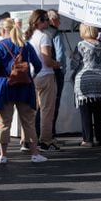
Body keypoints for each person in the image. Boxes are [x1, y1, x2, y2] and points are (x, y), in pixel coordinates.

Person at [0, 18, 47, 164]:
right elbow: (38, 65)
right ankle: (35, 154)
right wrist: (29, 76)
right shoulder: (25, 46)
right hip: (25, 88)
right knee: (28, 122)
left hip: (4, 87)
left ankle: (3, 155)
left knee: (4, 123)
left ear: (2, 30)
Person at [72, 24, 101, 147]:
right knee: (99, 112)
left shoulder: (81, 45)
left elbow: (74, 65)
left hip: (85, 81)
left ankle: (88, 139)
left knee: (85, 111)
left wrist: (72, 57)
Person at [25, 9, 60, 152]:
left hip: (31, 75)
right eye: (46, 19)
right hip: (45, 74)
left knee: (30, 110)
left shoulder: (28, 36)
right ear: (39, 21)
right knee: (47, 110)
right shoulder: (44, 37)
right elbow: (46, 59)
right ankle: (46, 140)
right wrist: (57, 64)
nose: (48, 22)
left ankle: (26, 140)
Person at [45, 10, 67, 140]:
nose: (60, 21)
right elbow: (60, 54)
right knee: (54, 103)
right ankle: (50, 134)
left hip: (42, 72)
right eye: (58, 19)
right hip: (55, 71)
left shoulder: (40, 33)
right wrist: (61, 68)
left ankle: (42, 134)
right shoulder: (56, 34)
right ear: (52, 20)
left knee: (43, 105)